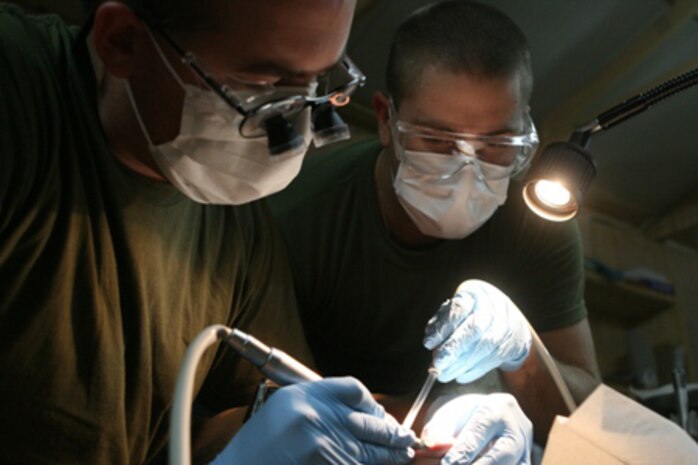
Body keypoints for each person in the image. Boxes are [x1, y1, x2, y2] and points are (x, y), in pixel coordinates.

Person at [0, 0, 418, 463]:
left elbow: (209, 427)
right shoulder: (19, 101)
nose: (295, 126)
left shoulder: (233, 220)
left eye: (316, 81)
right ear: (121, 40)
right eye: (261, 85)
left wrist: (430, 416)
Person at [269, 0, 602, 452]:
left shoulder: (539, 222)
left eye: (498, 143)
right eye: (438, 141)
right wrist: (438, 415)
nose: (468, 169)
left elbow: (587, 419)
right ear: (387, 119)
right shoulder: (302, 215)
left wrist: (524, 356)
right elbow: (270, 406)